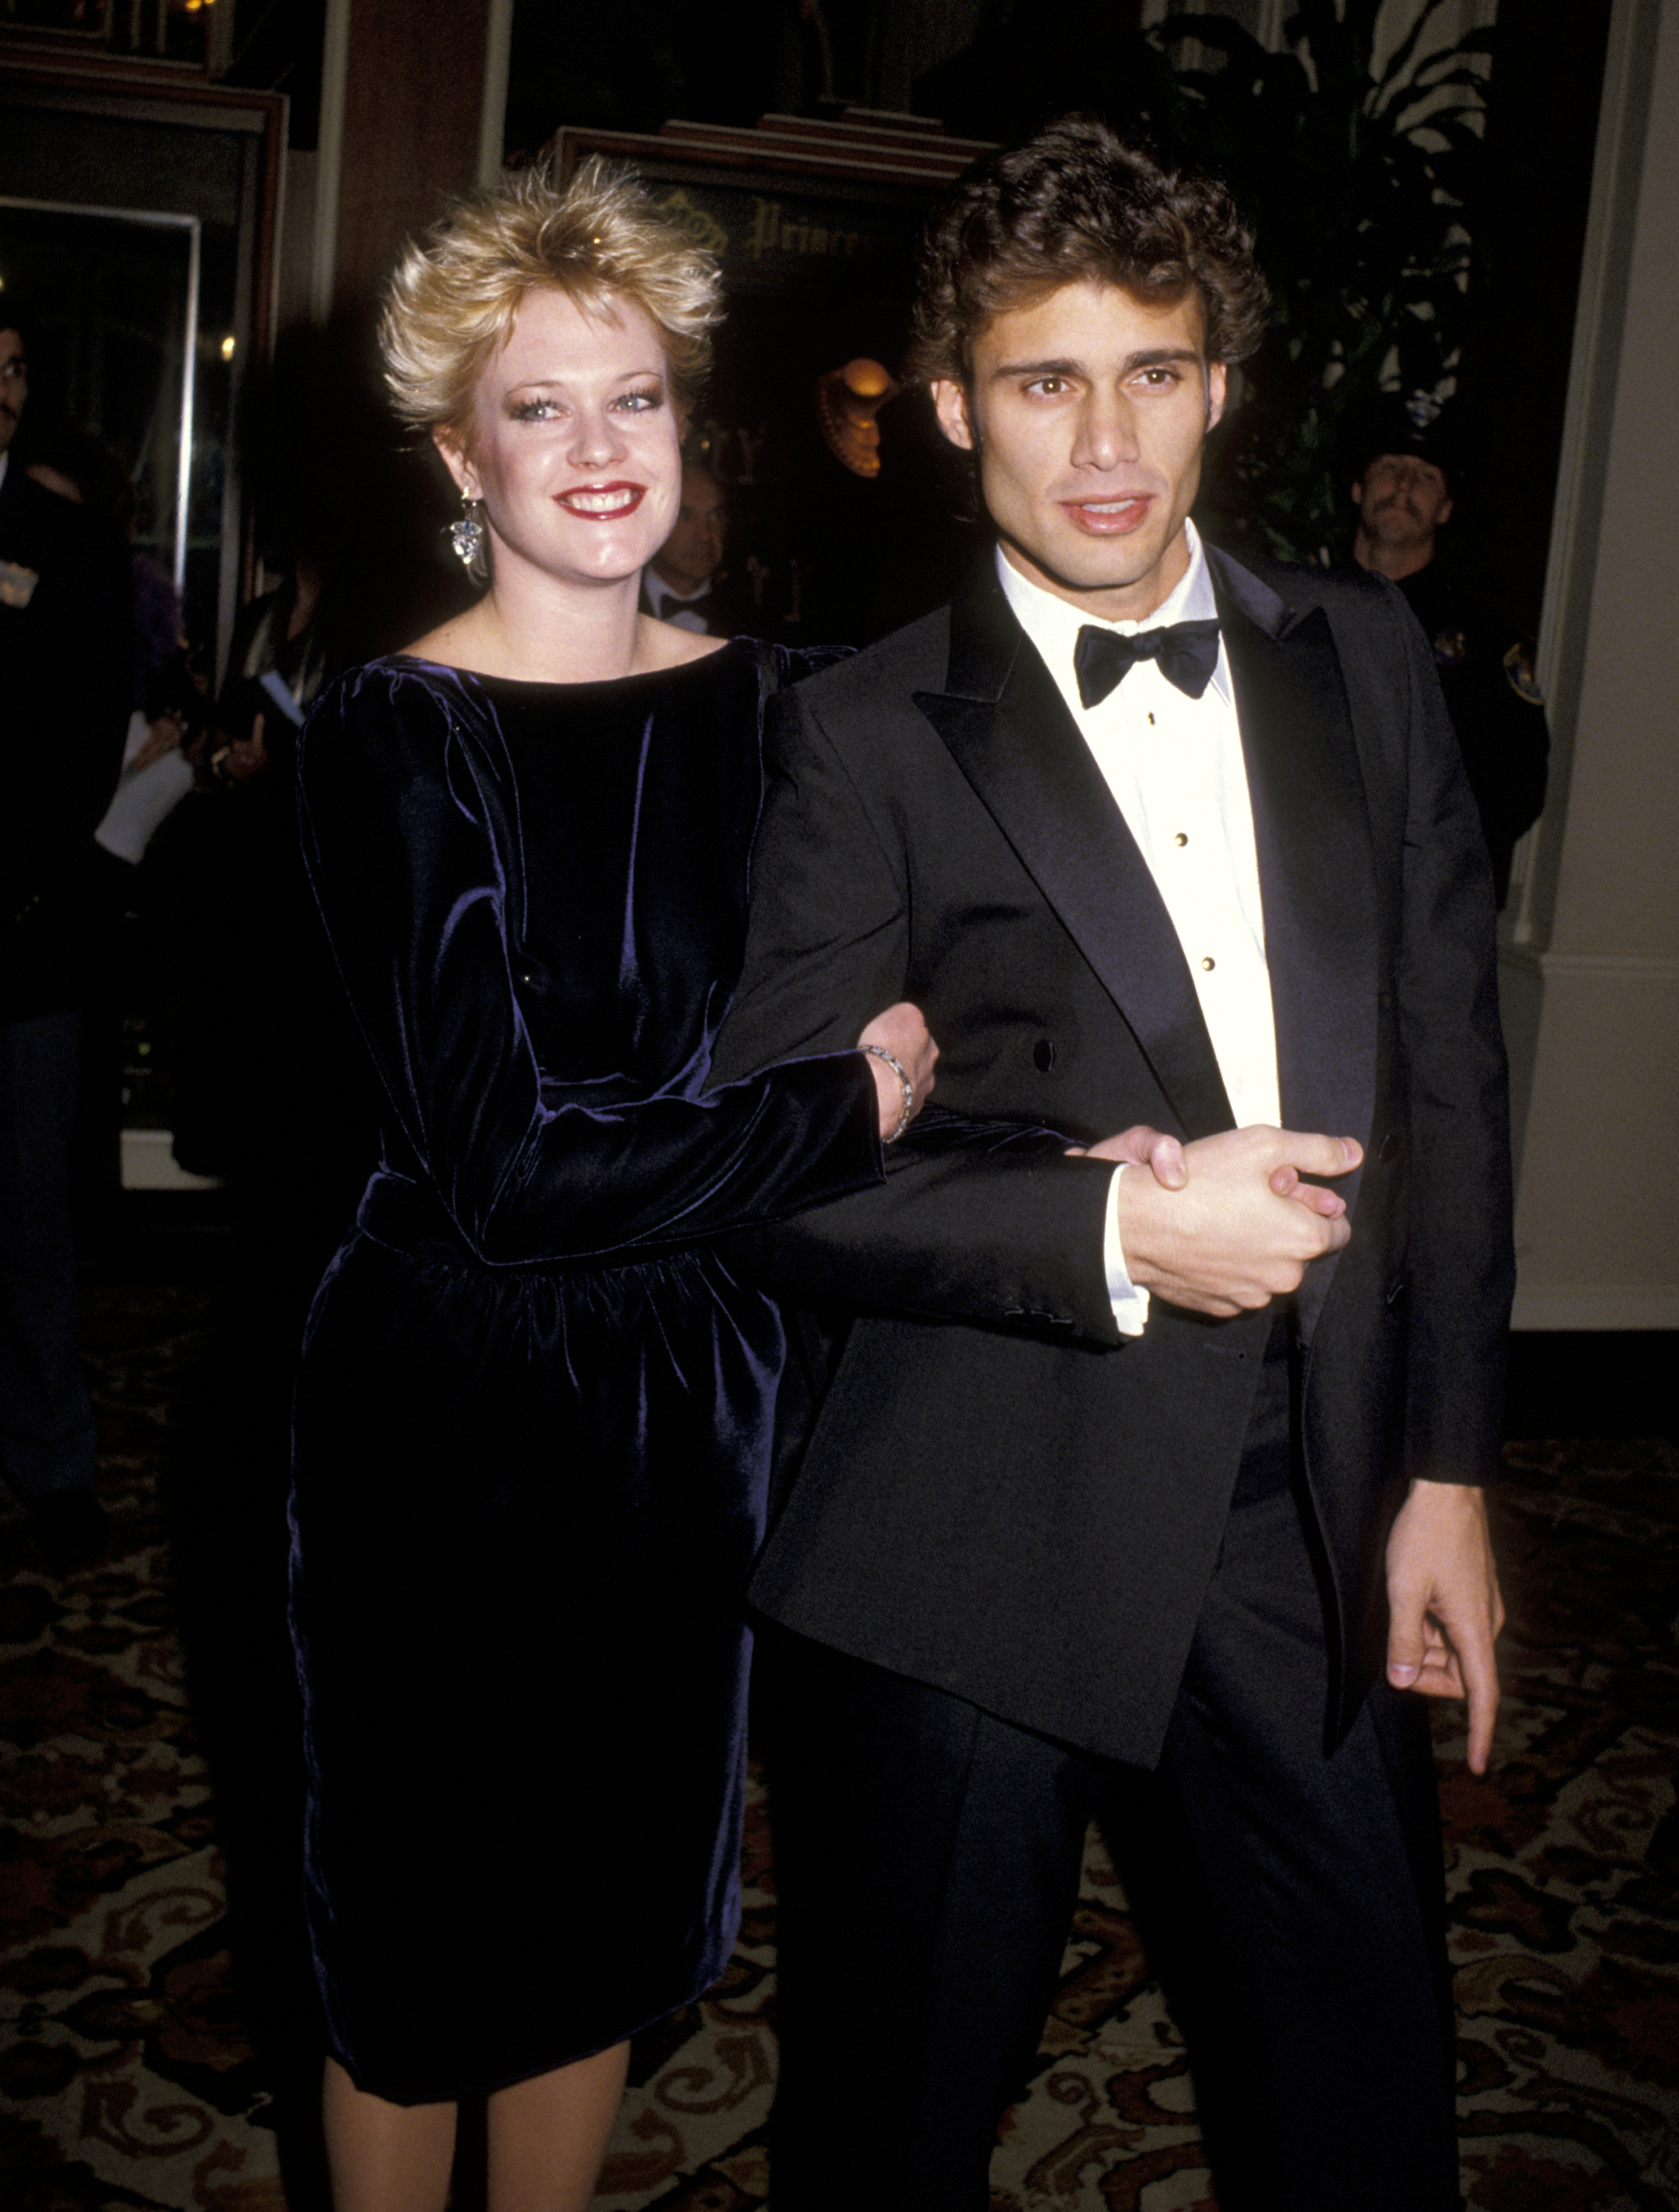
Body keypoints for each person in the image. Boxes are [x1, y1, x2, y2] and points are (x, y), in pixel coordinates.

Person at [709, 119, 1514, 2211]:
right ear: (954, 401)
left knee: (1368, 2089)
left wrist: (1444, 1470)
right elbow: (775, 1170)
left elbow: (1453, 1078)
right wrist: (1112, 1223)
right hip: (986, 1496)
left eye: (1151, 371)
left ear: (1221, 385)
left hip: (1299, 1495)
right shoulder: (863, 728)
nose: (1103, 441)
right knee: (899, 2107)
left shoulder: (1371, 663)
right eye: (1044, 381)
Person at [286, 160, 939, 2212]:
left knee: (598, 1910)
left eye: (633, 398)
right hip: (449, 1401)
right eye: (540, 406)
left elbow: (915, 999)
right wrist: (846, 1112)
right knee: (415, 1930)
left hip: (689, 1395)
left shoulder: (779, 711)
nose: (595, 447)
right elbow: (504, 1172)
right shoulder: (396, 731)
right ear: (457, 452)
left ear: (688, 429)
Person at [0, 296, 133, 1573]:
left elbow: (90, 741)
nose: (1, 387)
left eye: (18, 368)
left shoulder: (64, 545)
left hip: (21, 938)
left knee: (30, 1217)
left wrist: (17, 882)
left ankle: (54, 1467)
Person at [1348, 396, 1550, 906]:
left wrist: (1424, 870)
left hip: (1418, 913)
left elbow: (1516, 788)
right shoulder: (1287, 610)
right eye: (1390, 468)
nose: (1403, 485)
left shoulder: (1483, 642)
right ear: (1357, 488)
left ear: (1445, 509)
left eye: (1426, 477)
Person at [638, 459, 740, 631]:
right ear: (652, 522)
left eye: (715, 516)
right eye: (685, 516)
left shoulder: (750, 618)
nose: (705, 535)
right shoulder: (611, 610)